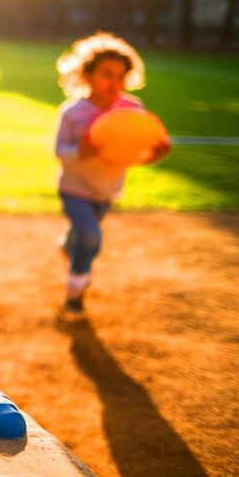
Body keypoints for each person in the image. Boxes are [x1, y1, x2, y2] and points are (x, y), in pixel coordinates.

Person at [54, 32, 170, 314]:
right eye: (106, 74)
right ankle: (76, 290)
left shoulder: (133, 110)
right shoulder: (72, 112)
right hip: (74, 190)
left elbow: (135, 151)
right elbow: (61, 153)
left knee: (81, 238)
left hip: (107, 191)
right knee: (91, 239)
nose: (114, 82)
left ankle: (69, 244)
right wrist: (83, 151)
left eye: (120, 76)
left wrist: (154, 153)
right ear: (86, 74)